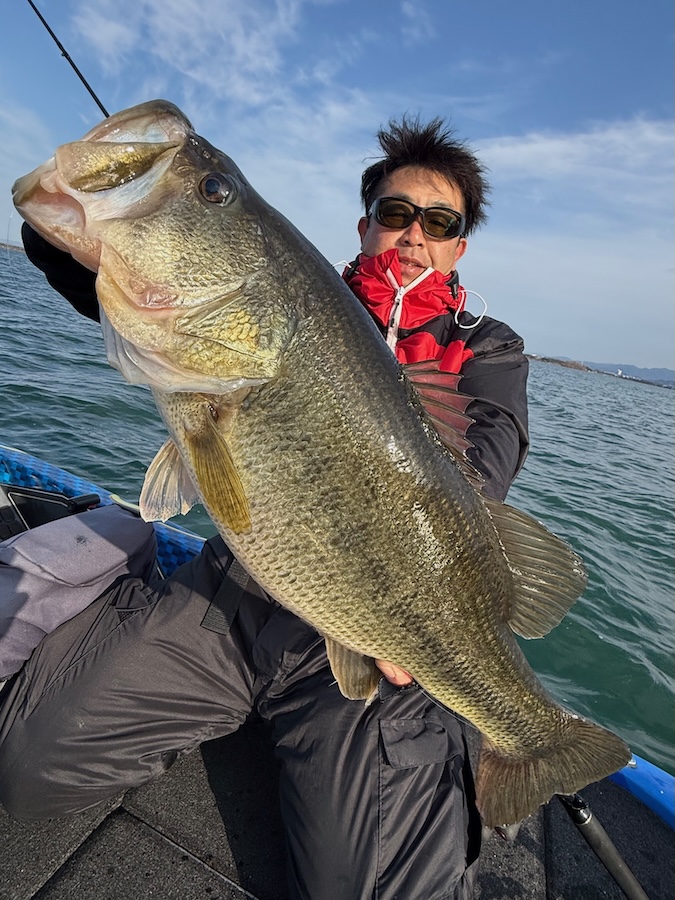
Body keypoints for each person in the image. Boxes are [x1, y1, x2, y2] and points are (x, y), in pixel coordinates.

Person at [0, 116, 528, 899]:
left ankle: (486, 748)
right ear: (365, 226)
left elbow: (483, 470)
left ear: (459, 246)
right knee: (31, 770)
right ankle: (139, 618)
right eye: (394, 212)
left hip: (369, 626)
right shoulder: (289, 290)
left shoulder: (487, 347)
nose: (413, 233)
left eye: (439, 222)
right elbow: (109, 287)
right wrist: (84, 237)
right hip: (240, 586)